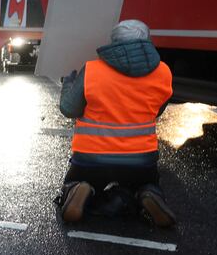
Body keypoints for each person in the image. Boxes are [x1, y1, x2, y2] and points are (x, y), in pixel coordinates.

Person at [57, 20, 176, 227]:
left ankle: (78, 187)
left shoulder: (92, 70)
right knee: (147, 181)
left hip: (91, 159)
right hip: (140, 161)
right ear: (147, 42)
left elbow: (69, 109)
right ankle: (147, 192)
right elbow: (156, 111)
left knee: (75, 180)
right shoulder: (163, 72)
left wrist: (68, 83)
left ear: (113, 43)